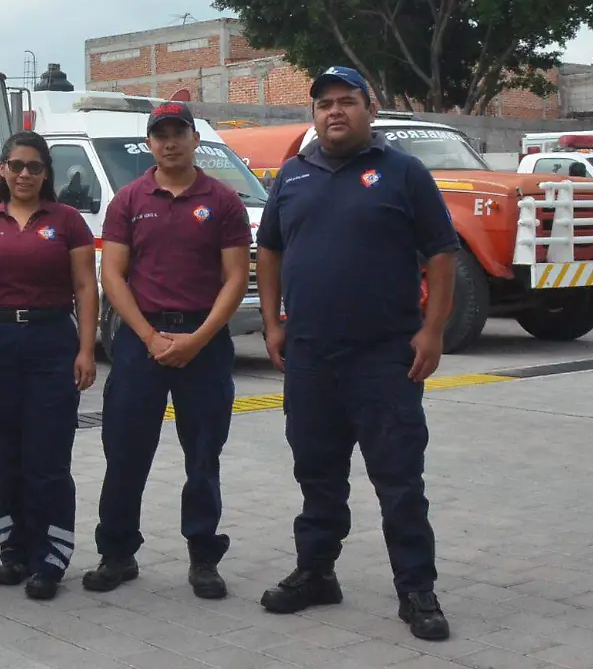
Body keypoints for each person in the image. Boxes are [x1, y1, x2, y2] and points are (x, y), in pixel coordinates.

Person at [254, 66, 458, 641]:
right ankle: (317, 572)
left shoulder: (403, 173)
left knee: (398, 478)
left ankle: (416, 589)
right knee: (316, 473)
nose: (334, 111)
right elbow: (268, 251)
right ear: (313, 114)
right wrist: (272, 323)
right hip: (311, 356)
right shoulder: (292, 175)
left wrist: (434, 329)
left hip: (384, 356)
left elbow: (442, 253)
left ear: (370, 110)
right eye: (323, 104)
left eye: (346, 101)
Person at [79, 101, 251, 599]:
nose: (169, 142)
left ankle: (202, 556)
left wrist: (197, 339)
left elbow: (236, 277)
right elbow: (112, 274)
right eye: (160, 134)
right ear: (149, 143)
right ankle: (117, 553)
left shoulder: (223, 201)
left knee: (203, 454)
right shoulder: (130, 200)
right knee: (126, 452)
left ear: (195, 139)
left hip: (205, 341)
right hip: (140, 341)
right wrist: (149, 336)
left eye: (178, 133)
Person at [0, 131, 99, 601]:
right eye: (17, 165)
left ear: (46, 172)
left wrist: (86, 349)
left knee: (47, 457)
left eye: (35, 167)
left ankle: (50, 556)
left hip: (50, 341)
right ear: (2, 169)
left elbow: (85, 287)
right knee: (4, 455)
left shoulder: (67, 220)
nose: (25, 174)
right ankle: (13, 549)